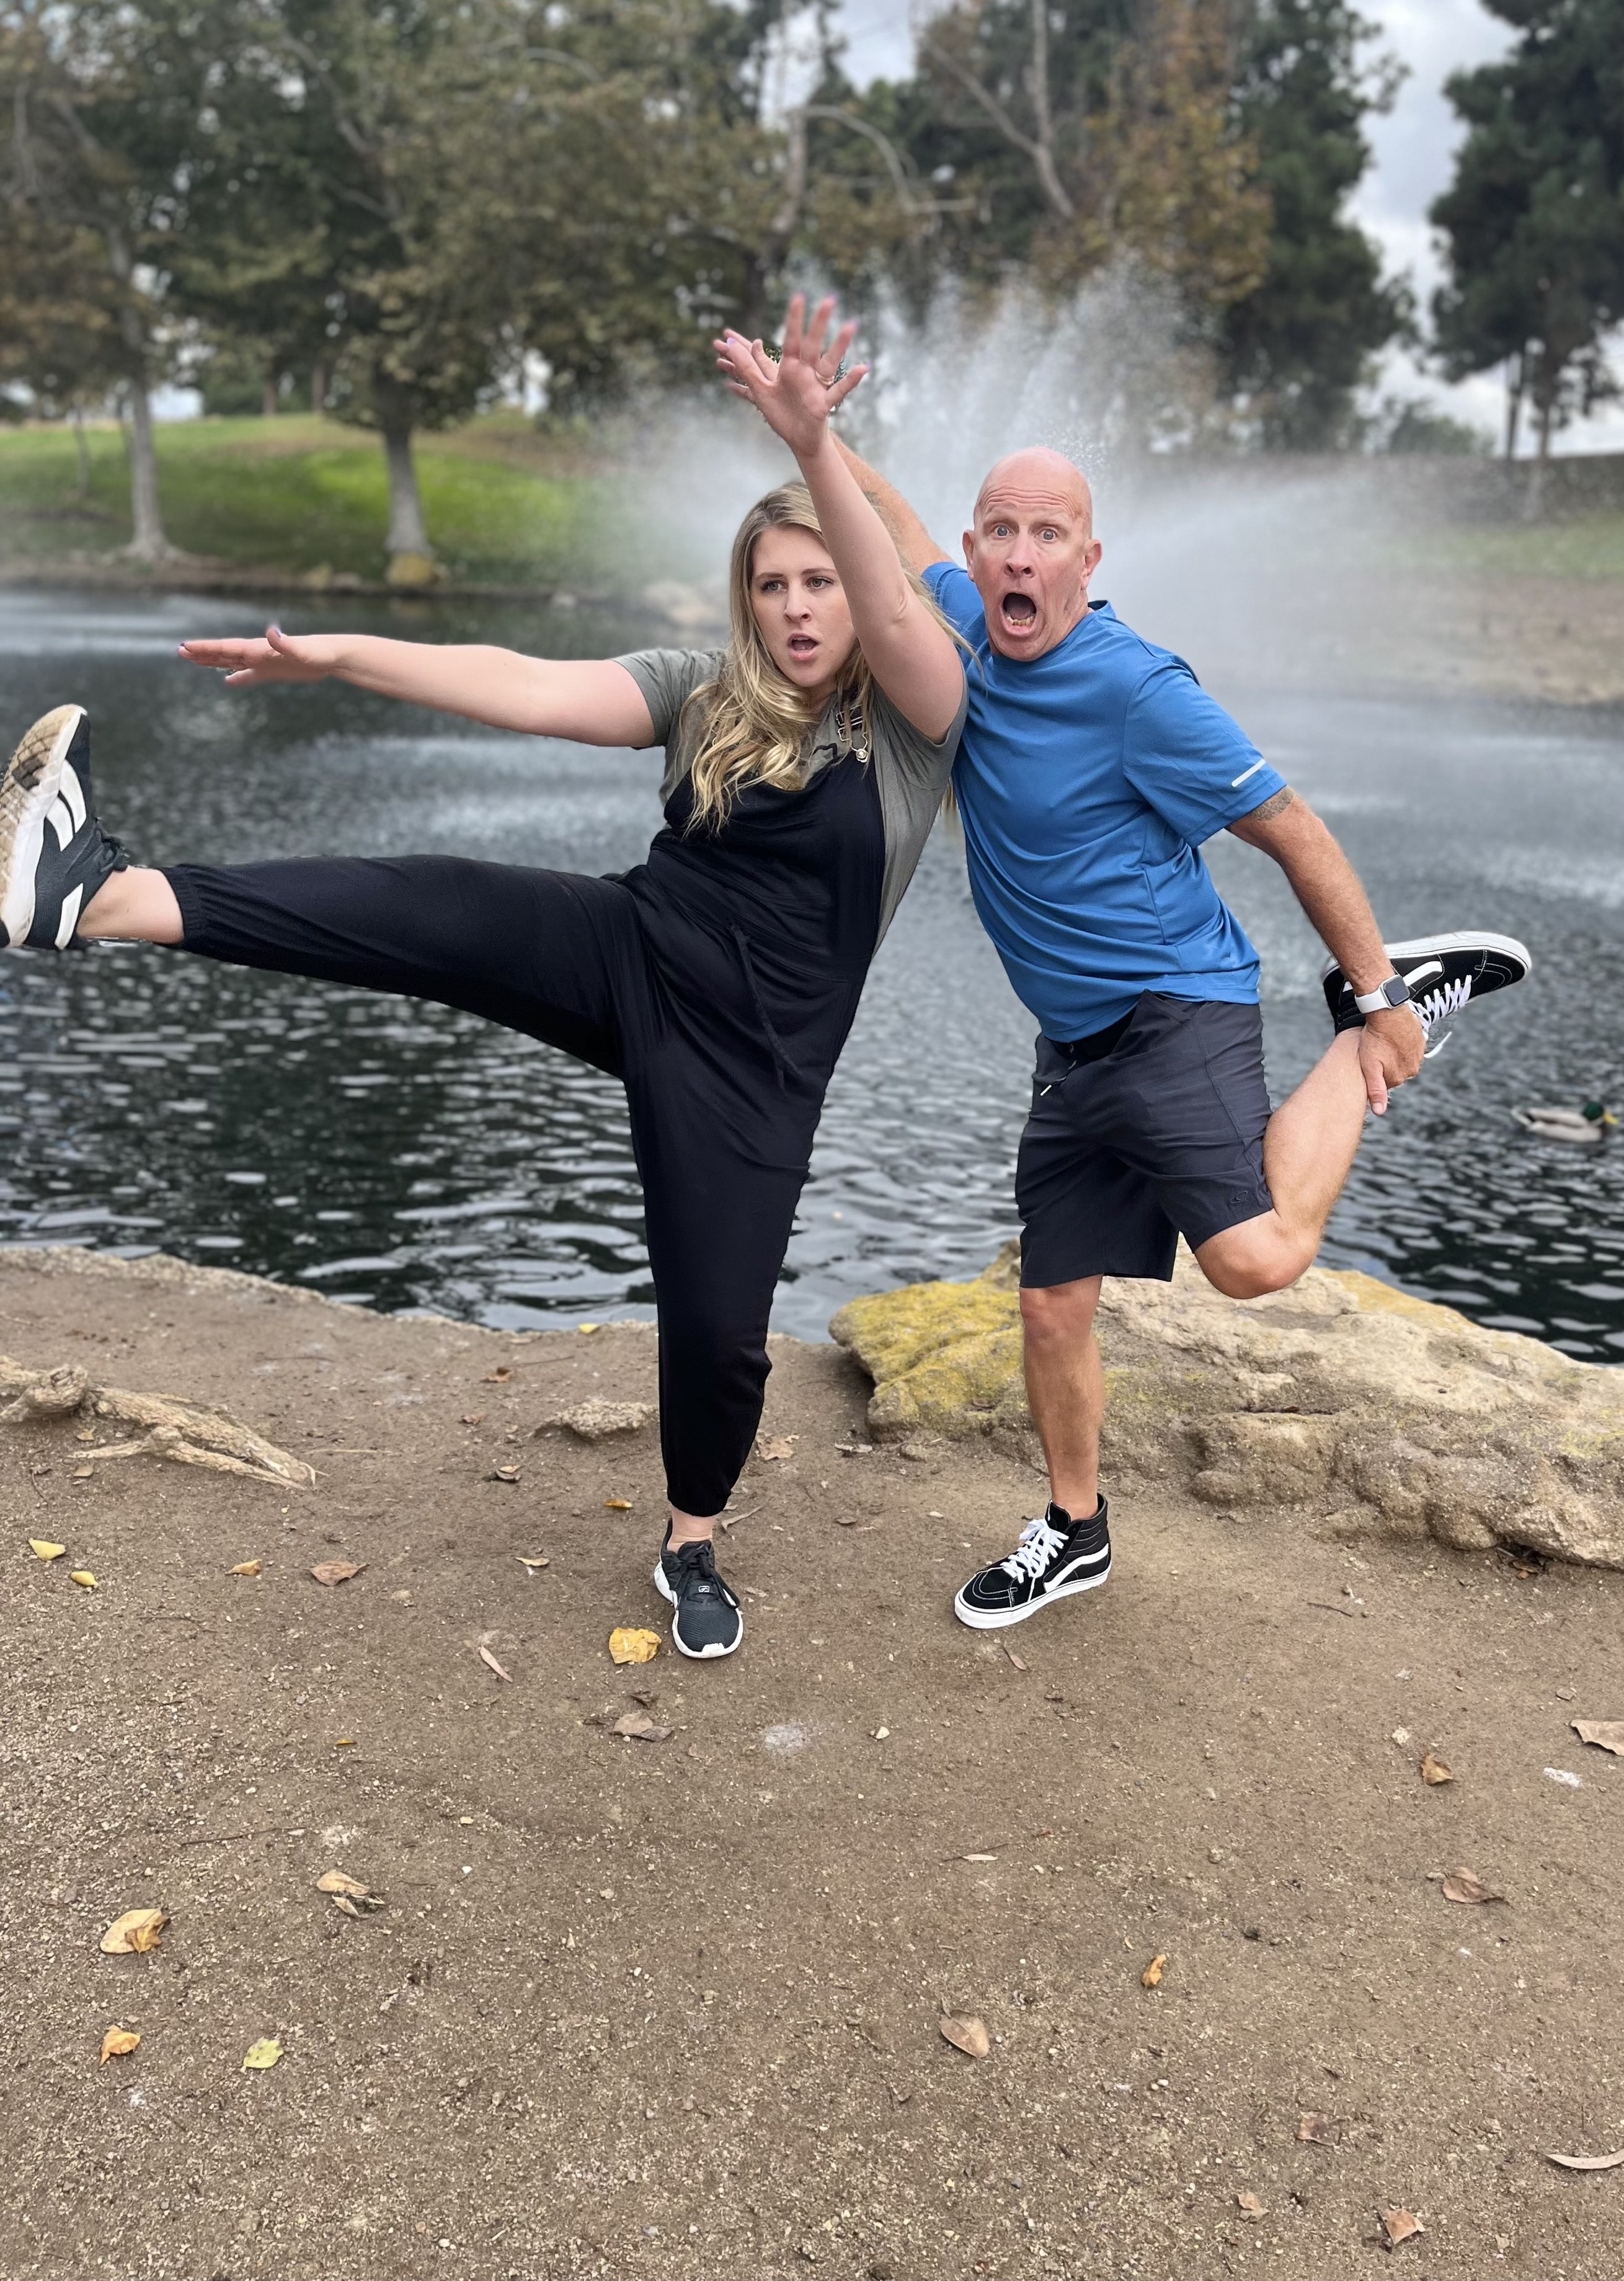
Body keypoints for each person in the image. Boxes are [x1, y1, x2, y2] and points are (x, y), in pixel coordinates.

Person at [0, 298, 965, 1664]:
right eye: (774, 584)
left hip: (753, 1064)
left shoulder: (918, 726)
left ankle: (692, 1540)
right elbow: (515, 684)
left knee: (718, 1332)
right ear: (745, 597)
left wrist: (822, 448)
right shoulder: (705, 694)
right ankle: (89, 897)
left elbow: (908, 595)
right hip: (631, 949)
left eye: (822, 583)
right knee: (425, 901)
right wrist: (331, 653)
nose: (801, 607)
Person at [836, 438, 1531, 1630]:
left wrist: (1369, 993)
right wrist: (815, 432)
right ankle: (1075, 1530)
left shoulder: (1142, 691)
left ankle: (1397, 1008)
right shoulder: (961, 621)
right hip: (1074, 1049)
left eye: (1048, 534)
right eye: (999, 530)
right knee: (1052, 1305)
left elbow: (1295, 826)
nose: (1019, 553)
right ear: (974, 551)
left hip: (1177, 1005)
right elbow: (893, 532)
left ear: (1089, 558)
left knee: (1253, 1263)